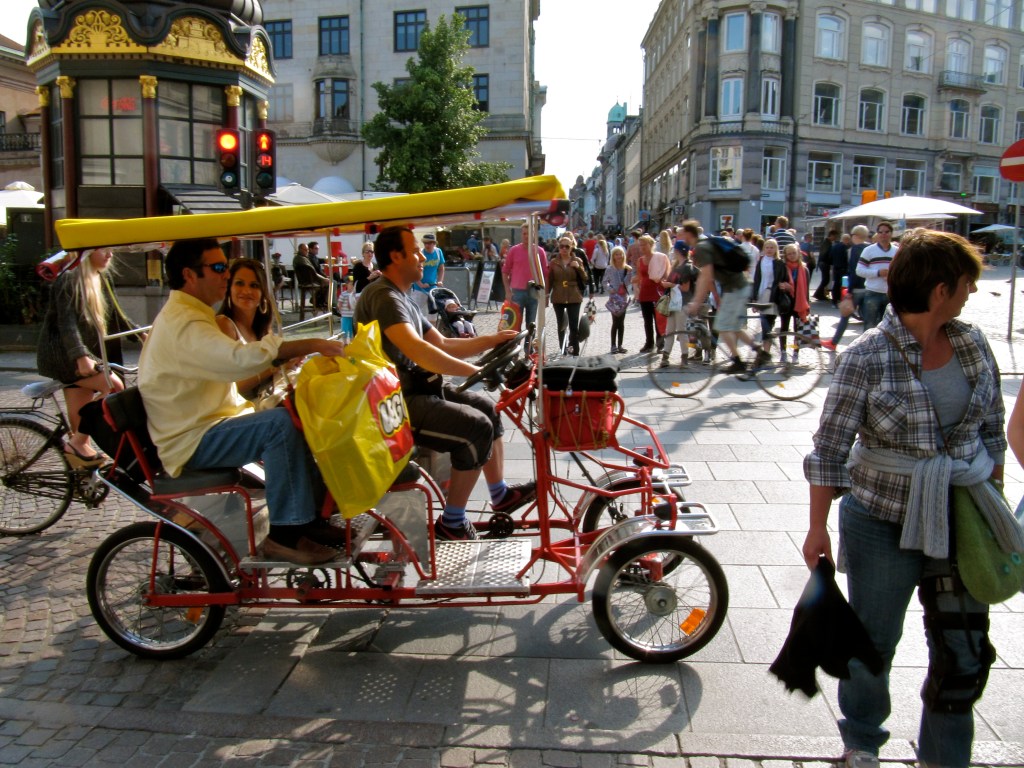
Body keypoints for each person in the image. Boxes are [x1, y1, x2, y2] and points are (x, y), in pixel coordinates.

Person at [803, 229, 1006, 768]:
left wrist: (996, 506)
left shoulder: (973, 344)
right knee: (873, 644)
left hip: (961, 515)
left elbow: (991, 429)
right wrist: (817, 527)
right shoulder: (866, 356)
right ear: (941, 289)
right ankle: (862, 743)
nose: (970, 294)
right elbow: (829, 449)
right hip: (881, 519)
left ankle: (943, 758)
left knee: (963, 650)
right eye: (966, 284)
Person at [139, 238, 348, 565]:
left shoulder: (194, 315)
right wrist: (310, 344)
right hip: (192, 438)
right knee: (279, 426)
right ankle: (284, 536)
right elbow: (238, 361)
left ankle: (311, 521)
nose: (225, 275)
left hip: (212, 423)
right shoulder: (184, 323)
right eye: (219, 267)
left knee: (298, 416)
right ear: (189, 275)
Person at [354, 226, 536, 541]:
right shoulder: (383, 296)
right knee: (476, 428)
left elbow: (440, 344)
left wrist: (493, 341)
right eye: (415, 250)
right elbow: (419, 351)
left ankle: (500, 494)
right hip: (393, 405)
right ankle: (452, 523)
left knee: (486, 409)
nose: (423, 256)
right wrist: (472, 372)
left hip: (415, 391)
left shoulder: (402, 296)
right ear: (396, 256)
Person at [37, 247, 136, 464]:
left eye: (112, 250)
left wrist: (141, 334)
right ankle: (77, 443)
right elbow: (67, 324)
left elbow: (117, 315)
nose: (110, 255)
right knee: (113, 386)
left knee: (80, 420)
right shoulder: (69, 279)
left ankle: (81, 476)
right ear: (87, 253)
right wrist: (80, 356)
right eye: (104, 250)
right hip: (63, 355)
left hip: (82, 356)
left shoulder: (100, 278)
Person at [681, 220, 764, 373]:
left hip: (735, 287)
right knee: (733, 326)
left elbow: (705, 277)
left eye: (682, 233)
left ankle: (738, 362)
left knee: (722, 326)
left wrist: (696, 303)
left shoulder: (702, 248)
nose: (680, 236)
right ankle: (760, 351)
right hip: (737, 286)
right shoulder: (706, 244)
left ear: (688, 233)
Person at [215, 259, 279, 400]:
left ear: (262, 292)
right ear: (229, 288)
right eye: (239, 283)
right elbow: (231, 387)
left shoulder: (263, 328)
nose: (246, 291)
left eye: (254, 285)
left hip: (266, 399)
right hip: (238, 411)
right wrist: (275, 366)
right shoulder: (224, 325)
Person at [824, 225, 870, 350]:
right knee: (868, 318)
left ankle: (834, 342)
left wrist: (849, 290)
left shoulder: (854, 249)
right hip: (868, 287)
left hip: (856, 289)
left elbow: (854, 270)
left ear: (856, 235)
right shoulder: (869, 248)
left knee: (845, 316)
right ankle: (868, 345)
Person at [658, 241, 700, 367]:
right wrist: (667, 283)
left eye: (674, 250)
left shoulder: (686, 267)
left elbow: (685, 288)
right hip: (674, 302)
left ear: (678, 251)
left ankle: (684, 358)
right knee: (669, 330)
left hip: (683, 302)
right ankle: (665, 357)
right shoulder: (677, 265)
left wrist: (670, 285)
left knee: (682, 331)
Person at [547, 236, 587, 355]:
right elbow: (549, 279)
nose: (564, 249)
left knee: (574, 325)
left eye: (567, 246)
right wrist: (546, 295)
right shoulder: (554, 262)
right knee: (561, 325)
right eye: (561, 246)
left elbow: (585, 278)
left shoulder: (577, 260)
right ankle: (563, 349)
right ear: (558, 247)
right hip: (558, 295)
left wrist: (578, 268)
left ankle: (574, 349)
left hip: (574, 295)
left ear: (571, 248)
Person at [501, 223, 546, 327]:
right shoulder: (514, 250)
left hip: (534, 292)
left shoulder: (540, 252)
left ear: (534, 235)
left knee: (531, 325)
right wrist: (507, 291)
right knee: (514, 324)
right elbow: (505, 272)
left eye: (529, 234)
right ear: (521, 234)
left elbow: (545, 275)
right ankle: (515, 343)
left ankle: (528, 343)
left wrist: (545, 295)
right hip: (517, 292)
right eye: (524, 234)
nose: (526, 236)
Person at [857, 221, 898, 330]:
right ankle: (867, 347)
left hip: (890, 293)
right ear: (877, 234)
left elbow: (902, 271)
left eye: (886, 232)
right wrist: (877, 273)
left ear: (891, 233)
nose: (883, 234)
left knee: (887, 327)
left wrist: (892, 275)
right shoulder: (869, 250)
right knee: (870, 325)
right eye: (880, 232)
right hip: (872, 292)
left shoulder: (897, 251)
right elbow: (859, 270)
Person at [632, 234, 669, 353]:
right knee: (647, 321)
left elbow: (667, 273)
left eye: (644, 244)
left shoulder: (660, 257)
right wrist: (633, 281)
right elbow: (639, 276)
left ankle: (660, 343)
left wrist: (664, 280)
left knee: (659, 319)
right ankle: (649, 343)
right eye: (640, 245)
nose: (642, 247)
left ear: (651, 245)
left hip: (658, 292)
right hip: (645, 293)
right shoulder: (640, 260)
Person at [750, 238, 787, 360]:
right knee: (764, 323)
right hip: (762, 295)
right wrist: (754, 298)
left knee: (769, 323)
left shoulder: (779, 263)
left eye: (772, 247)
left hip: (773, 295)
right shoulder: (761, 261)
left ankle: (766, 352)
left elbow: (782, 278)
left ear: (776, 249)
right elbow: (757, 279)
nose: (769, 250)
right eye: (767, 247)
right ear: (764, 249)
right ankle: (766, 352)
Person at [777, 243, 811, 362]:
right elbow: (778, 283)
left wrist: (807, 306)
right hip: (786, 302)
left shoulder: (804, 269)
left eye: (794, 253)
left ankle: (795, 352)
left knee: (797, 330)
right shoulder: (783, 267)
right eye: (789, 254)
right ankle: (783, 352)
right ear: (785, 255)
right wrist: (782, 286)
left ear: (798, 253)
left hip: (800, 302)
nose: (792, 256)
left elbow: (806, 289)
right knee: (784, 328)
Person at [604, 246, 631, 354]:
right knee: (615, 322)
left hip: (623, 297)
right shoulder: (610, 269)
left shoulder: (627, 268)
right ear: (613, 256)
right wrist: (610, 289)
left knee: (621, 322)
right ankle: (613, 345)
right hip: (614, 298)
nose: (619, 256)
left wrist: (629, 273)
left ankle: (620, 345)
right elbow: (604, 282)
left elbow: (628, 283)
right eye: (616, 254)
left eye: (620, 254)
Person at [412, 233, 445, 316]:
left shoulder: (438, 252)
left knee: (433, 314)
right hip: (419, 289)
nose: (427, 245)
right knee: (416, 313)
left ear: (434, 243)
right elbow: (414, 271)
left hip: (432, 288)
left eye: (429, 243)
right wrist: (420, 284)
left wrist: (440, 280)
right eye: (425, 243)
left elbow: (441, 268)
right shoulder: (420, 254)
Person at [293, 242, 329, 311]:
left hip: (307, 280)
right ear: (300, 249)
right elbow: (313, 272)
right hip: (309, 280)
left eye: (307, 250)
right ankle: (320, 302)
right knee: (329, 283)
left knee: (328, 282)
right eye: (305, 250)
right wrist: (324, 279)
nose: (307, 251)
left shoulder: (301, 258)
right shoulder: (302, 259)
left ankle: (318, 301)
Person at [814, 231, 837, 301]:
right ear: (831, 235)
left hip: (823, 263)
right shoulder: (827, 243)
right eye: (835, 236)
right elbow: (826, 254)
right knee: (825, 279)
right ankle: (818, 293)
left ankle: (819, 294)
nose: (835, 238)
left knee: (825, 279)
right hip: (824, 263)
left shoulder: (827, 242)